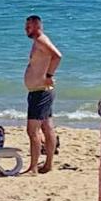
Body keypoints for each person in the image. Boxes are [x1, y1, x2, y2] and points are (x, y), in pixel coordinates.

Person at [23, 15, 62, 174]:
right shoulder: (38, 42)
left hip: (41, 92)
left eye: (28, 27)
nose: (26, 29)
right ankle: (48, 165)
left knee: (32, 131)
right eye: (26, 27)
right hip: (38, 91)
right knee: (47, 127)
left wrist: (49, 75)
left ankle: (33, 167)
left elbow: (57, 56)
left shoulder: (41, 40)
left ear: (37, 26)